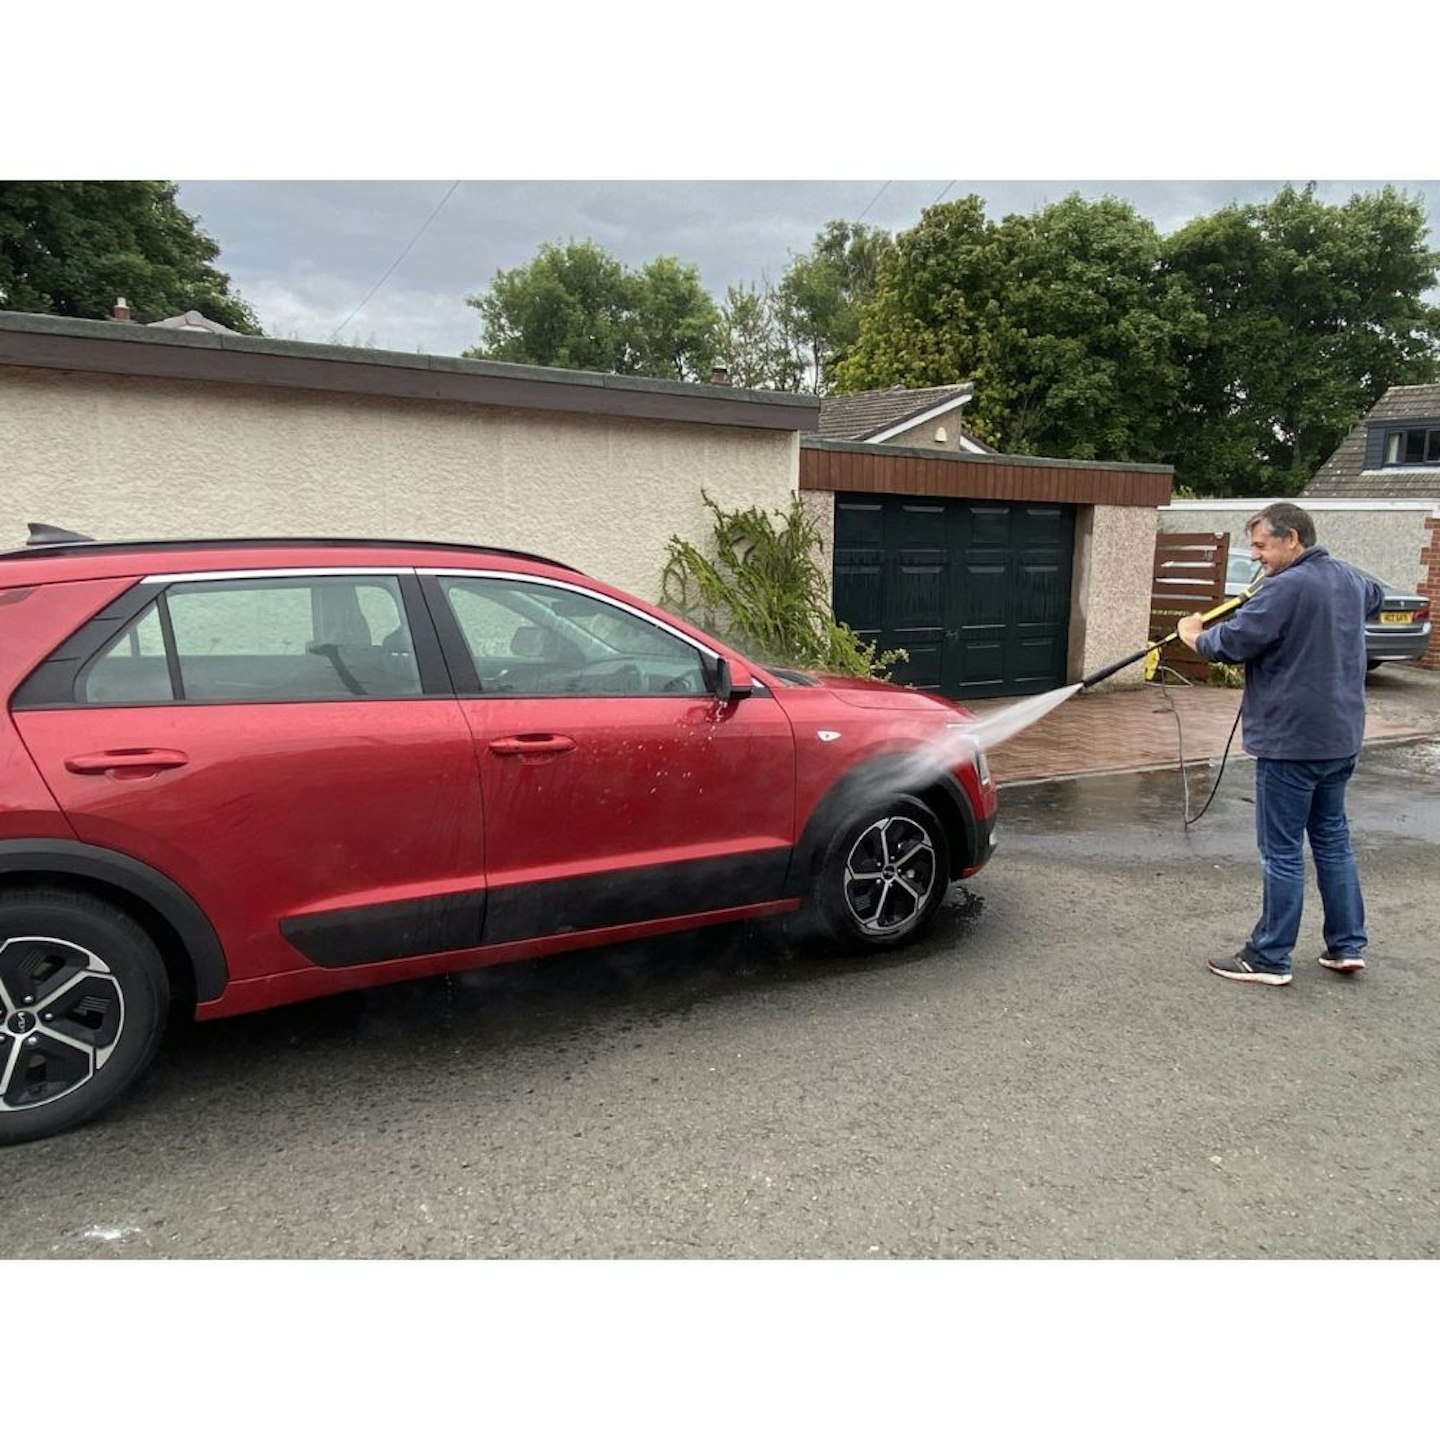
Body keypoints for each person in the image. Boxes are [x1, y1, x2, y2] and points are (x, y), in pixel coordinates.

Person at [1177, 501, 1384, 987]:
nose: (1256, 555)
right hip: (1340, 739)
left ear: (1292, 539)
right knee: (1332, 840)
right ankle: (1347, 945)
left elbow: (1229, 644)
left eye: (1261, 545)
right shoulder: (1349, 579)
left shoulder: (1286, 588)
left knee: (1283, 849)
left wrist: (1193, 634)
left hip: (1292, 743)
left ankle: (1269, 957)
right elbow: (1373, 596)